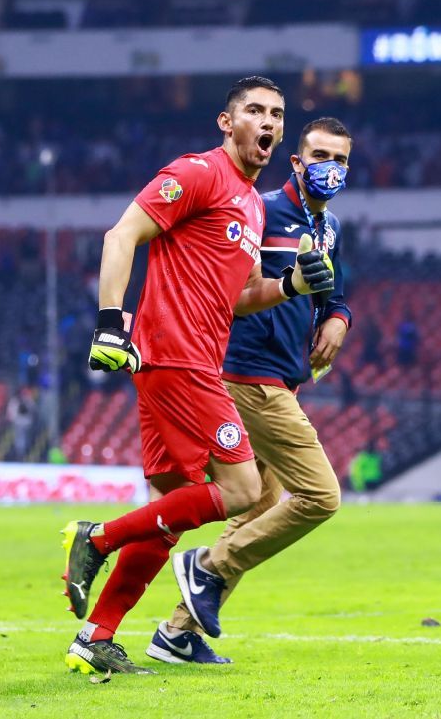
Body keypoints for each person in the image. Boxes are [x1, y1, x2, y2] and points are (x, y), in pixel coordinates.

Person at [60, 77, 333, 676]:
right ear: (226, 122)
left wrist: (292, 286)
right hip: (177, 359)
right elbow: (122, 233)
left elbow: (237, 297)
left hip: (188, 362)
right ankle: (98, 538)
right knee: (243, 493)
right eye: (255, 111)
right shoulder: (199, 172)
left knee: (168, 509)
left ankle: (97, 636)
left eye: (276, 114)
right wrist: (111, 323)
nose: (267, 121)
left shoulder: (253, 205)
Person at [152, 116, 354, 665]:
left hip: (282, 376)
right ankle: (206, 567)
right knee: (320, 497)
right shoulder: (259, 210)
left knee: (257, 508)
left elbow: (334, 291)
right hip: (248, 373)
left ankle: (176, 634)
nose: (328, 168)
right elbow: (229, 288)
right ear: (297, 160)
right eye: (319, 155)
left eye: (339, 160)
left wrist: (339, 318)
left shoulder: (329, 227)